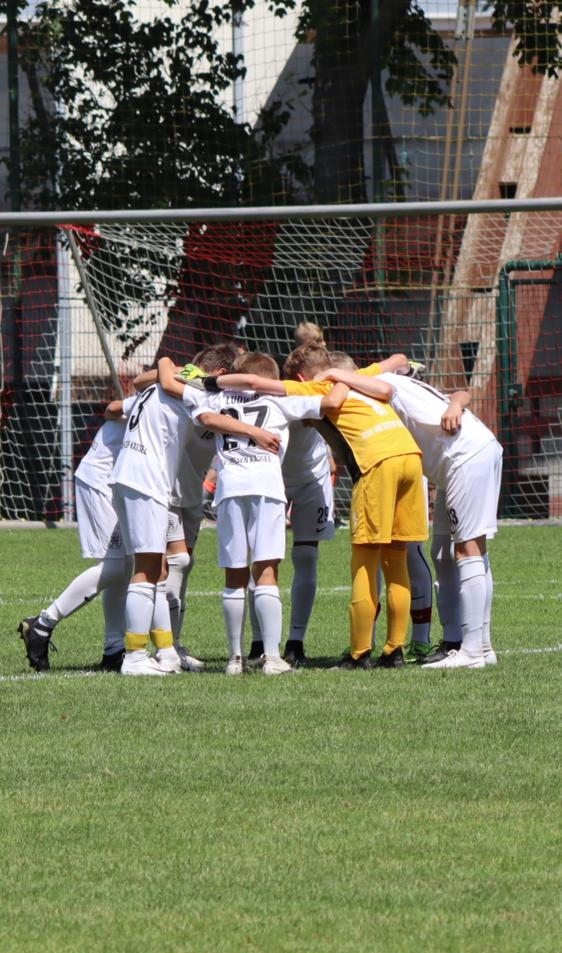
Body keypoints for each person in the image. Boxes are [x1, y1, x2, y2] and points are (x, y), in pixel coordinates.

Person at [200, 343, 428, 669]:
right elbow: (395, 363)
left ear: (301, 377)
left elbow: (255, 383)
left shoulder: (306, 389)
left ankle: (354, 652)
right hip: (409, 455)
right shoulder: (354, 377)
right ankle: (394, 650)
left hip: (349, 469)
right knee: (396, 559)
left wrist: (209, 382)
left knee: (359, 560)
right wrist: (393, 366)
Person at [160, 351, 347, 675]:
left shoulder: (214, 396)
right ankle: (272, 658)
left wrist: (177, 367)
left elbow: (171, 384)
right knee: (266, 572)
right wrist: (345, 377)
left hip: (230, 489)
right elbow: (332, 402)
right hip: (266, 488)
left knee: (234, 575)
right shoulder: (280, 399)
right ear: (270, 379)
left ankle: (235, 659)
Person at [319, 358, 503, 669]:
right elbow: (457, 391)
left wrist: (335, 375)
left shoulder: (372, 386)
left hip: (464, 456)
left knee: (468, 549)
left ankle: (473, 650)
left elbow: (386, 387)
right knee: (443, 553)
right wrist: (455, 403)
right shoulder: (394, 379)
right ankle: (471, 645)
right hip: (460, 459)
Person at [107, 357, 282, 676]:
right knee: (146, 569)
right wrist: (255, 432)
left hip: (130, 475)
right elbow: (209, 415)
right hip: (146, 478)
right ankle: (134, 656)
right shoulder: (197, 389)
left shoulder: (163, 384)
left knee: (158, 569)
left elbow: (144, 382)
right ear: (220, 374)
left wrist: (168, 364)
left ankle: (167, 652)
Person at [132, 342, 239, 671]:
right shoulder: (190, 386)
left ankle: (172, 644)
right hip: (166, 488)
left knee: (183, 565)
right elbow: (139, 382)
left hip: (193, 494)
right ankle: (162, 648)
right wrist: (174, 368)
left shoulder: (225, 398)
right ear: (220, 372)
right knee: (171, 564)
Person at [17, 408, 136, 673]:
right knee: (115, 566)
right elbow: (112, 408)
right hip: (101, 479)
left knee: (124, 565)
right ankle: (43, 623)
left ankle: (114, 649)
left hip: (117, 481)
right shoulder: (162, 391)